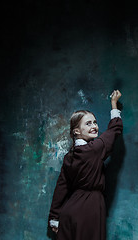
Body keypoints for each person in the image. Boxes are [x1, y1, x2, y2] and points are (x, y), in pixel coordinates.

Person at [48, 90, 123, 240]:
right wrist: (114, 104)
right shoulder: (94, 149)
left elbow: (61, 187)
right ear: (76, 131)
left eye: (95, 122)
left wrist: (54, 216)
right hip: (90, 208)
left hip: (69, 211)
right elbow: (115, 129)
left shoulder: (69, 157)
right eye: (88, 123)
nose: (94, 126)